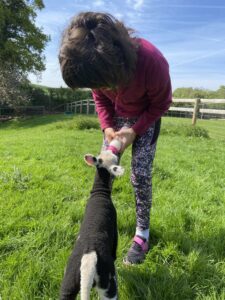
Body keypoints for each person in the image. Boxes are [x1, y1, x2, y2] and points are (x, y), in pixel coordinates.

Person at [59, 12, 172, 264]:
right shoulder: (92, 61)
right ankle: (99, 224)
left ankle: (142, 232)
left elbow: (162, 103)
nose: (99, 87)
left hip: (145, 116)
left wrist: (135, 130)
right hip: (116, 120)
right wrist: (107, 126)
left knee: (140, 174)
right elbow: (99, 97)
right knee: (104, 169)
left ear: (115, 62)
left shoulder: (152, 62)